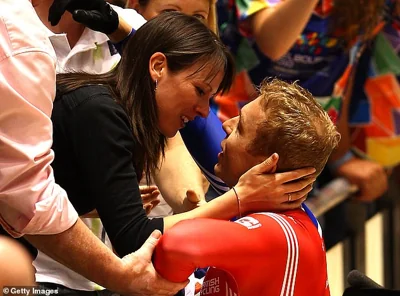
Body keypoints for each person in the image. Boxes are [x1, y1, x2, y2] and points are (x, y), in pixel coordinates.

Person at [0, 0, 185, 295]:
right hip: (32, 266)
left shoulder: (125, 25)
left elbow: (189, 79)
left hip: (95, 268)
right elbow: (26, 196)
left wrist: (119, 29)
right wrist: (238, 201)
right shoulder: (16, 32)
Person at [154, 78, 341, 296]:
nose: (226, 125)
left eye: (240, 127)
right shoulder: (288, 216)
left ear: (268, 164)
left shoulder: (280, 231)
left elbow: (174, 246)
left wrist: (169, 288)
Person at [212, 0, 388, 202]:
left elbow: (343, 74)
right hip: (230, 140)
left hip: (302, 160)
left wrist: (341, 156)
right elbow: (273, 43)